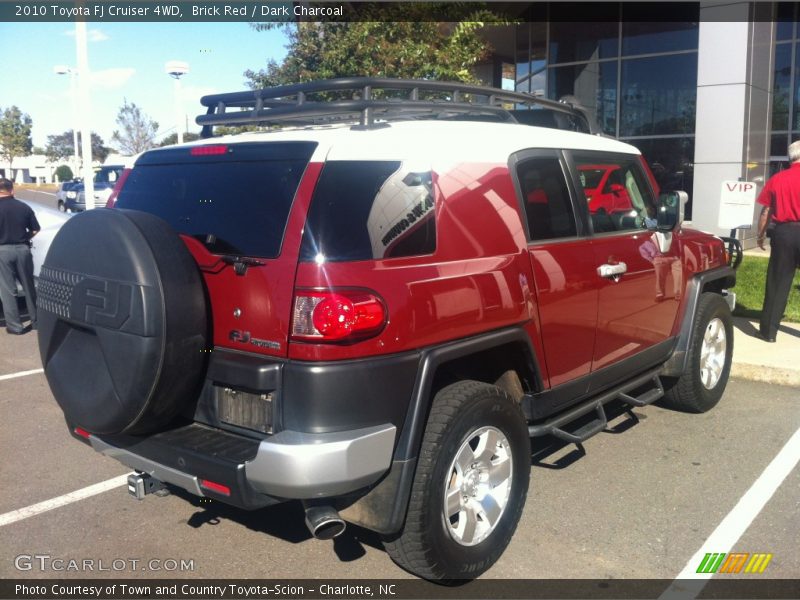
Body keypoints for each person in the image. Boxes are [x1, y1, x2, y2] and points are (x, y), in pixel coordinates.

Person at [756, 140, 800, 342]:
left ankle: (768, 332)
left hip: (784, 233)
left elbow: (766, 211)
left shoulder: (777, 179)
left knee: (778, 282)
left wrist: (760, 234)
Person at [0, 178, 40, 334]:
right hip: (23, 249)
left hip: (2, 251)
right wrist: (25, 238)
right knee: (28, 285)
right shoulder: (24, 207)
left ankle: (15, 326)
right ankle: (36, 321)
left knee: (7, 289)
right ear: (12, 190)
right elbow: (36, 229)